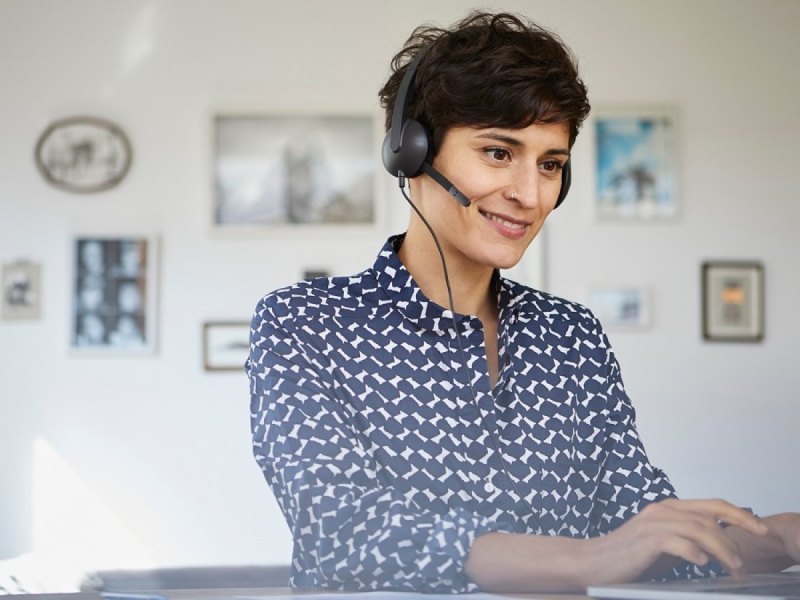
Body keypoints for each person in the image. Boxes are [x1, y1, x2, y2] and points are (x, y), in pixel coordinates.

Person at [246, 11, 799, 593]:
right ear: (411, 151)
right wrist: (587, 562)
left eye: (551, 164)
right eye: (498, 153)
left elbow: (642, 531)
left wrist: (780, 538)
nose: (529, 195)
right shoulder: (303, 324)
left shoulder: (571, 335)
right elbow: (344, 532)